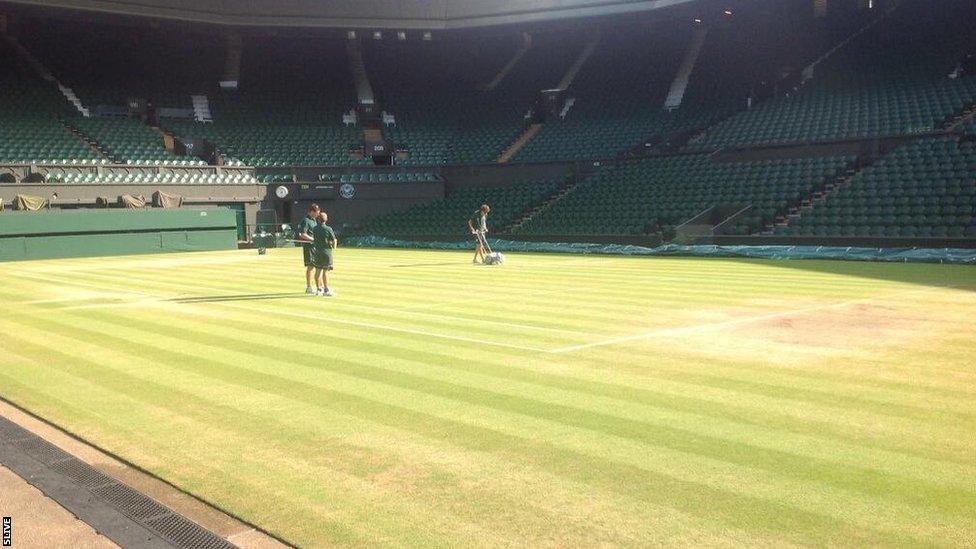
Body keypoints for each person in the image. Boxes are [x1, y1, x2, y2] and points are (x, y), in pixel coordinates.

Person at [300, 211, 338, 297]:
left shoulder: (315, 229)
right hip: (326, 252)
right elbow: (334, 240)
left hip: (317, 252)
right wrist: (333, 246)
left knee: (317, 271)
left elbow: (314, 238)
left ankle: (319, 289)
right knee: (325, 272)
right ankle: (326, 289)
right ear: (326, 219)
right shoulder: (328, 229)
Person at [297, 204, 321, 294]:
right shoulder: (305, 221)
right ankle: (309, 287)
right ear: (311, 212)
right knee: (310, 267)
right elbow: (302, 234)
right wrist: (313, 239)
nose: (317, 215)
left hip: (315, 247)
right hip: (309, 247)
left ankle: (320, 286)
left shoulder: (314, 220)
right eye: (316, 213)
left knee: (318, 266)